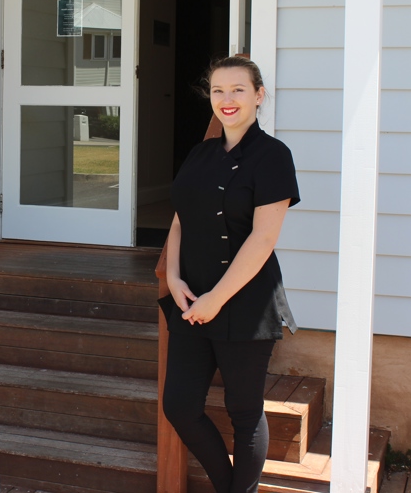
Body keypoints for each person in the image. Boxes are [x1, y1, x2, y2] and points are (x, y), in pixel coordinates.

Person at [161, 56, 300, 493]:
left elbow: (262, 240)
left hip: (245, 302)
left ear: (258, 96)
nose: (227, 99)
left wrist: (215, 300)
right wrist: (172, 277)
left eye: (238, 89)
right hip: (190, 302)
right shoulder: (201, 153)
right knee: (180, 406)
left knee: (244, 411)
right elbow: (180, 220)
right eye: (218, 91)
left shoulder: (274, 156)